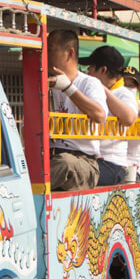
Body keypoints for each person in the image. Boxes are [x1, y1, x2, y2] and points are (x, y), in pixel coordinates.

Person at [47, 29, 108, 191]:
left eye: (51, 49)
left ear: (70, 53)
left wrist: (68, 88)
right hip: (54, 156)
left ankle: (24, 192)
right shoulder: (49, 85)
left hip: (84, 163)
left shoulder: (89, 83)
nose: (46, 54)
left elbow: (100, 115)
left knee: (64, 163)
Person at [81, 45, 137, 185]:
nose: (87, 72)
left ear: (103, 70)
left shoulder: (123, 93)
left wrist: (101, 89)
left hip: (111, 164)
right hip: (92, 160)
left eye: (91, 67)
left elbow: (129, 118)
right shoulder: (89, 92)